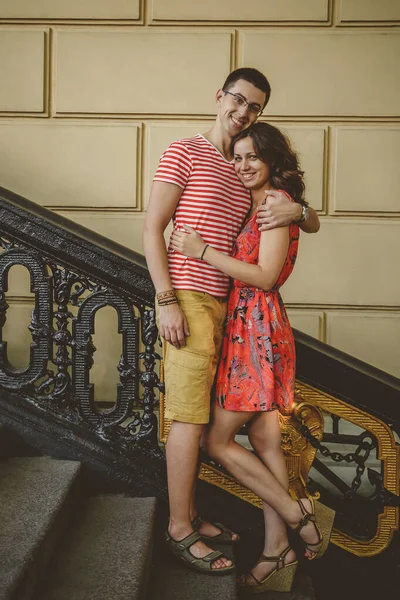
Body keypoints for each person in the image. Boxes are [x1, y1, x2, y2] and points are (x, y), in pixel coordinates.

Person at [143, 67, 321, 575]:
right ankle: (180, 529)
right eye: (237, 100)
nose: (242, 112)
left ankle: (198, 517)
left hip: (236, 313)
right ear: (219, 96)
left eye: (254, 107)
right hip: (192, 300)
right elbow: (153, 228)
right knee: (192, 421)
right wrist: (165, 299)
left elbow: (294, 212)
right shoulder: (185, 150)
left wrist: (301, 211)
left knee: (217, 427)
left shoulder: (242, 167)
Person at [170, 122, 335, 592]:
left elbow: (264, 276)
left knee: (216, 441)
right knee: (265, 439)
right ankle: (275, 549)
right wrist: (304, 211)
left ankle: (295, 515)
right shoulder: (273, 202)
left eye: (252, 158)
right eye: (236, 157)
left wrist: (201, 251)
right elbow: (311, 221)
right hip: (248, 327)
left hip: (258, 329)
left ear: (271, 159)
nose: (242, 165)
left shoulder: (275, 204)